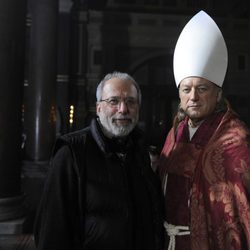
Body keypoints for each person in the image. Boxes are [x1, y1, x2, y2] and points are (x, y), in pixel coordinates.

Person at [34, 71, 164, 250]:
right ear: (98, 108)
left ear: (138, 108)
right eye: (113, 101)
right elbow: (52, 231)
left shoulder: (140, 151)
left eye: (130, 102)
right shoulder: (71, 153)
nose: (123, 109)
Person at [158, 11, 250, 250]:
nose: (193, 97)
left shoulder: (235, 139)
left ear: (218, 93)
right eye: (186, 89)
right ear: (179, 94)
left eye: (202, 89)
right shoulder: (174, 134)